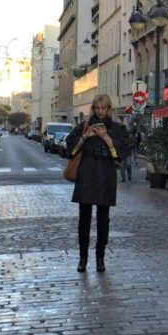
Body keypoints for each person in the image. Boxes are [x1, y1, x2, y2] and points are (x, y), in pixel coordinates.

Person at [66, 93, 127, 273]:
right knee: (84, 220)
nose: (100, 112)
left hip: (105, 176)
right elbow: (70, 150)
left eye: (104, 108)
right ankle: (83, 258)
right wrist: (85, 136)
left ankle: (100, 258)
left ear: (109, 109)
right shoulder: (83, 126)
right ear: (93, 108)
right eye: (98, 108)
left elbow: (120, 154)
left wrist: (107, 138)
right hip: (86, 175)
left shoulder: (117, 129)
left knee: (103, 220)